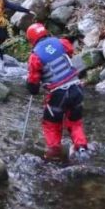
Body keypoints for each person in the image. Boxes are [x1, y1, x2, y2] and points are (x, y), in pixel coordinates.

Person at [26, 22, 89, 160]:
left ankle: (54, 154)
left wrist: (32, 87)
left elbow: (33, 84)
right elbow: (69, 51)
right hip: (76, 88)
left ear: (31, 39)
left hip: (58, 93)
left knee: (51, 125)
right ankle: (82, 148)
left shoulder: (35, 56)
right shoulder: (60, 42)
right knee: (75, 122)